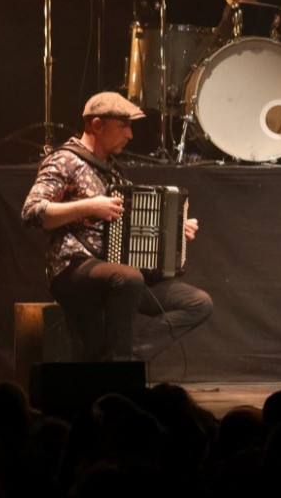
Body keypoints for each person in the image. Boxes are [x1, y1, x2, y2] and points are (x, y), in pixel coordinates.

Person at [21, 91, 213, 362]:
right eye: (123, 125)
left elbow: (131, 222)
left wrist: (175, 229)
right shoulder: (64, 160)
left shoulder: (113, 171)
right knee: (129, 277)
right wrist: (90, 206)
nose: (130, 135)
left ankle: (123, 357)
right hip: (73, 269)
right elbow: (32, 212)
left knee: (197, 303)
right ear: (97, 125)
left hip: (118, 274)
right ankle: (117, 360)